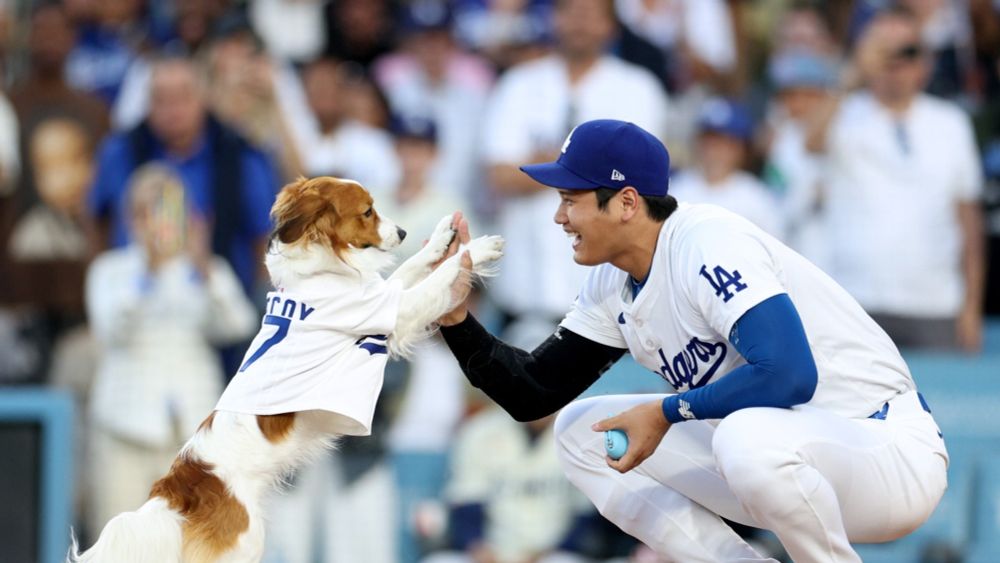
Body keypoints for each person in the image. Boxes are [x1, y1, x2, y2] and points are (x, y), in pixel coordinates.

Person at [434, 119, 948, 562]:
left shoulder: (706, 241)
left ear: (627, 202)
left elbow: (789, 373)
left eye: (571, 199)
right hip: (786, 465)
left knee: (742, 437)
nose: (559, 216)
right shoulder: (612, 282)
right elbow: (532, 393)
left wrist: (666, 412)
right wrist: (456, 318)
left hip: (883, 449)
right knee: (581, 433)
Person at [84, 163, 258, 535]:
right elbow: (110, 330)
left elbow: (238, 325)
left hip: (189, 434)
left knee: (188, 540)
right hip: (124, 428)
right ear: (132, 216)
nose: (157, 219)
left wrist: (205, 268)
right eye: (147, 210)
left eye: (166, 207)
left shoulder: (203, 270)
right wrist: (147, 273)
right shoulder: (111, 270)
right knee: (118, 538)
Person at [807, 8, 985, 352]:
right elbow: (809, 142)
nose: (895, 63)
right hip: (855, 301)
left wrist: (972, 306)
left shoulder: (952, 123)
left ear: (926, 61)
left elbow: (969, 221)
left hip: (935, 304)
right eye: (883, 51)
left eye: (907, 51)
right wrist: (852, 73)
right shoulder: (843, 111)